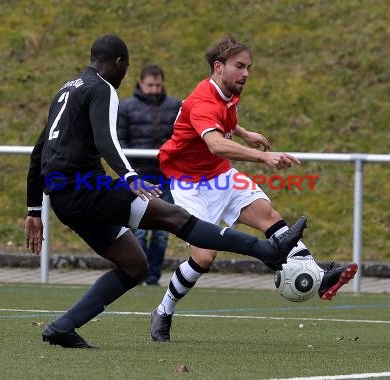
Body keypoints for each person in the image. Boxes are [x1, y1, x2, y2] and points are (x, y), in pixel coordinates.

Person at [25, 34, 308, 349]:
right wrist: (130, 176)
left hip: (65, 196)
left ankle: (62, 328)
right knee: (175, 217)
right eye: (125, 68)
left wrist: (34, 210)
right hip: (88, 188)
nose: (124, 76)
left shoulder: (65, 90)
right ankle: (269, 252)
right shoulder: (101, 88)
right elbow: (106, 139)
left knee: (135, 264)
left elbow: (39, 152)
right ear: (118, 63)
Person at [149, 35, 358, 342]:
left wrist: (244, 133)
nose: (246, 73)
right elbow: (216, 143)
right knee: (205, 258)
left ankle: (320, 278)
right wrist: (263, 157)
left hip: (220, 176)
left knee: (268, 215)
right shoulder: (203, 100)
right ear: (219, 67)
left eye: (249, 67)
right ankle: (164, 310)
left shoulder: (227, 91)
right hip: (190, 185)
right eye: (240, 66)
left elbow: (224, 122)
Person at [117, 65, 182, 285]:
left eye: (158, 85)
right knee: (138, 230)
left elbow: (180, 138)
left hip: (166, 176)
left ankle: (153, 277)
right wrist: (130, 172)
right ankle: (138, 273)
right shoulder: (126, 107)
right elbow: (120, 140)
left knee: (163, 230)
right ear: (141, 83)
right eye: (150, 85)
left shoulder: (174, 106)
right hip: (139, 177)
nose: (154, 89)